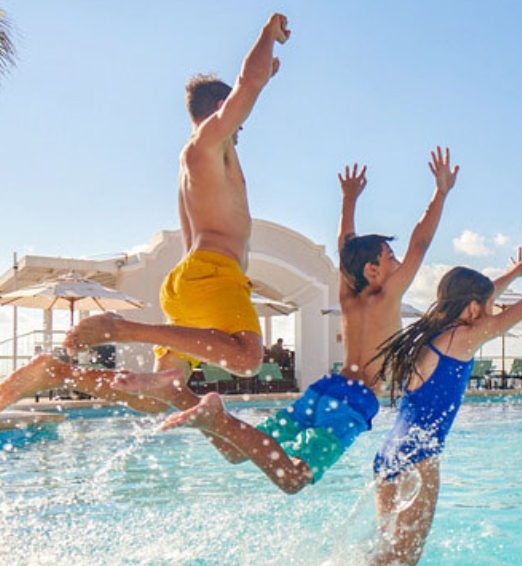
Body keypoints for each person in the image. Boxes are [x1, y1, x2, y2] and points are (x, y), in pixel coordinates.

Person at [0, 13, 291, 418]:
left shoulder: (206, 160)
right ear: (221, 108)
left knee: (155, 399)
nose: (243, 124)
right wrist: (267, 35)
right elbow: (247, 85)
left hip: (192, 282)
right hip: (213, 275)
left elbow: (253, 86)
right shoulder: (205, 144)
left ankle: (56, 373)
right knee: (248, 359)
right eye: (236, 113)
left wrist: (265, 77)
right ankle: (126, 328)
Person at [158, 148, 462, 493]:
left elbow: (344, 246)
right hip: (355, 400)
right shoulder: (386, 297)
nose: (398, 263)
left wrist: (348, 200)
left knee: (235, 452)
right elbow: (421, 243)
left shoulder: (349, 297)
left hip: (325, 388)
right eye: (391, 257)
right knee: (294, 478)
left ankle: (216, 419)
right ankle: (215, 415)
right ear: (372, 270)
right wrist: (440, 192)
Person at [366, 241, 522, 566]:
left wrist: (512, 275)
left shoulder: (433, 330)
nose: (493, 314)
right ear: (473, 308)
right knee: (402, 559)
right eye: (489, 307)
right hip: (419, 456)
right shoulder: (465, 336)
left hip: (389, 453)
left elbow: (483, 296)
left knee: (386, 548)